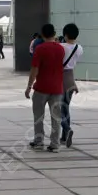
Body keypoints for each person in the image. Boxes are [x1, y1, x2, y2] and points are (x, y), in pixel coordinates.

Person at [25, 23, 65, 151]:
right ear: (54, 34)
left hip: (41, 87)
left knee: (38, 116)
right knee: (56, 117)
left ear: (42, 35)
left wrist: (29, 86)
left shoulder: (40, 49)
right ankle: (55, 144)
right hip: (57, 88)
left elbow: (34, 69)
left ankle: (38, 140)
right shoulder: (61, 49)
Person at [60, 22, 83, 148]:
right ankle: (64, 136)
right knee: (66, 108)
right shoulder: (79, 48)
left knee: (57, 110)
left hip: (59, 79)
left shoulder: (61, 46)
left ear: (65, 34)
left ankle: (67, 129)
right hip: (70, 79)